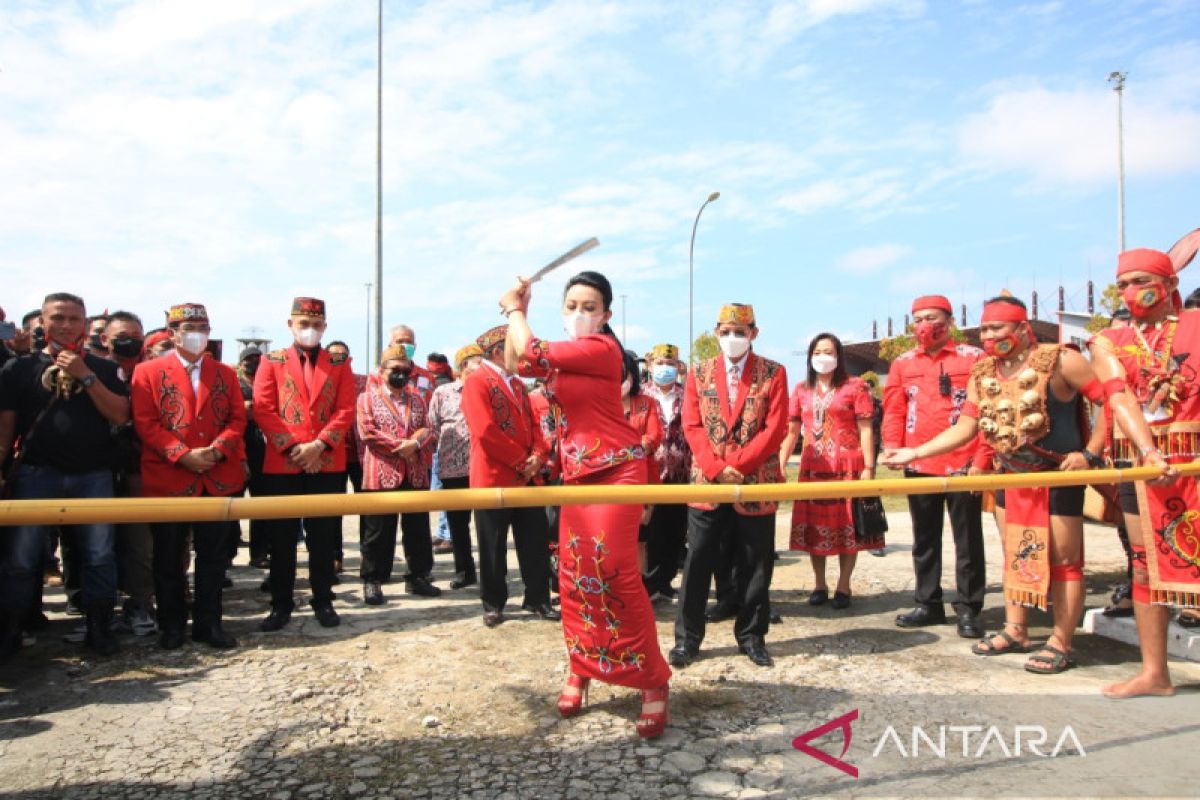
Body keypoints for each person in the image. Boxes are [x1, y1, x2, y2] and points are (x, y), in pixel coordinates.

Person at [883, 294, 1166, 674]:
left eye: (996, 327)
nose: (988, 335)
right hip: (1009, 475)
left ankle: (1061, 641)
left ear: (1021, 326)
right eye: (983, 328)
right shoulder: (985, 371)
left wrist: (1092, 453)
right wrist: (914, 453)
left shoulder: (1060, 359)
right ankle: (1015, 629)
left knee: (1065, 561)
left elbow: (1111, 402)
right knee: (1016, 553)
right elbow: (967, 427)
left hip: (1056, 475)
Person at [501, 269, 671, 739]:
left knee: (616, 572)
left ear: (607, 316)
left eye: (589, 307)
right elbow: (519, 363)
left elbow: (531, 350)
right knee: (573, 576)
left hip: (617, 469)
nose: (579, 315)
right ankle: (581, 666)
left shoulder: (602, 349)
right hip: (576, 474)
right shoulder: (566, 357)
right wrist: (522, 307)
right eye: (571, 307)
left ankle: (653, 681)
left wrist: (515, 310)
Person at [1090, 239, 1198, 698]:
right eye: (1123, 285)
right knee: (1144, 563)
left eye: (1141, 282)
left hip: (1193, 457)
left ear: (1169, 284)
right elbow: (1119, 395)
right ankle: (1155, 672)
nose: (1131, 292)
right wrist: (1150, 451)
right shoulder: (1107, 340)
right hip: (1141, 463)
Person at [0, 292, 129, 659]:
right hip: (36, 473)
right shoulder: (18, 369)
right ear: (43, 322)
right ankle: (12, 628)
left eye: (74, 318)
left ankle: (100, 627)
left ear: (86, 324)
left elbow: (120, 415)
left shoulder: (105, 368)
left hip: (93, 475)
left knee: (99, 555)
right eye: (58, 318)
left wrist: (84, 375)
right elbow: (5, 429)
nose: (66, 325)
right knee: (22, 559)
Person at [671, 303, 789, 669]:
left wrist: (737, 465)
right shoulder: (699, 372)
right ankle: (687, 639)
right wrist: (715, 466)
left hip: (756, 481)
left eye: (740, 331)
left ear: (754, 332)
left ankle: (752, 636)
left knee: (756, 563)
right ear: (716, 333)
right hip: (707, 482)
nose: (732, 338)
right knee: (698, 560)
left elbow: (776, 428)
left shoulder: (774, 372)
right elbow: (691, 425)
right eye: (725, 332)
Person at [131, 303, 246, 649]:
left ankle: (209, 624)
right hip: (169, 478)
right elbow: (145, 423)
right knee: (167, 558)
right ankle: (172, 626)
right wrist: (182, 455)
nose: (197, 332)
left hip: (217, 475)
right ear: (172, 332)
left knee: (213, 558)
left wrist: (215, 451)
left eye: (203, 325)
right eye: (189, 325)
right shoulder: (148, 372)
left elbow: (238, 419)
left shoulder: (225, 373)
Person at [882, 295, 990, 638]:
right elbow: (895, 408)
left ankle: (969, 607)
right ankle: (928, 602)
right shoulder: (902, 362)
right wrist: (893, 447)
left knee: (968, 540)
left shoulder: (974, 358)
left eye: (932, 318)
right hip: (919, 462)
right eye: (918, 319)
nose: (925, 325)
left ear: (951, 320)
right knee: (924, 538)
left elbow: (987, 414)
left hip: (964, 463)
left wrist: (981, 459)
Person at [253, 297, 356, 631]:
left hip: (326, 461)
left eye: (315, 324)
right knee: (281, 538)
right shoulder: (272, 361)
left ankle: (322, 599)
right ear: (290, 325)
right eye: (303, 324)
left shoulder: (339, 363)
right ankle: (281, 603)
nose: (309, 330)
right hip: (284, 462)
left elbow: (345, 410)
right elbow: (263, 408)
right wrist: (296, 448)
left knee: (323, 538)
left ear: (324, 327)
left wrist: (319, 446)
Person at [461, 324, 557, 627]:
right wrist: (521, 461)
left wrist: (539, 456)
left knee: (534, 540)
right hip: (493, 477)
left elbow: (536, 425)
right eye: (514, 347)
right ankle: (493, 603)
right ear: (498, 351)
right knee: (492, 545)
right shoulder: (477, 382)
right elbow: (485, 431)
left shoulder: (517, 385)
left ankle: (538, 598)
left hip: (527, 477)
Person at [779, 333, 880, 610]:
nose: (823, 357)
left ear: (838, 356)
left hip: (848, 465)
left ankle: (844, 585)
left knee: (848, 527)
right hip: (812, 467)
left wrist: (869, 467)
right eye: (817, 352)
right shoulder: (801, 389)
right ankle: (819, 584)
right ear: (810, 357)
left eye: (829, 351)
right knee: (814, 529)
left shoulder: (856, 386)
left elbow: (866, 429)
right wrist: (780, 462)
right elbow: (791, 432)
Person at [356, 345, 439, 604]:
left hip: (414, 472)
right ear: (382, 372)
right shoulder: (366, 399)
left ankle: (418, 577)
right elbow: (367, 432)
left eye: (405, 370)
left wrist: (414, 444)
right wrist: (399, 447)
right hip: (380, 473)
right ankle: (373, 580)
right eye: (395, 370)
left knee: (417, 529)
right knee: (378, 531)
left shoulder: (418, 399)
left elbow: (428, 428)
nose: (401, 375)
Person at [104, 310, 158, 637]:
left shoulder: (150, 374)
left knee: (142, 545)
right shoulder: (93, 370)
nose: (129, 343)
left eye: (135, 337)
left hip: (140, 469)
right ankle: (94, 609)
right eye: (121, 337)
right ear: (104, 339)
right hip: (96, 470)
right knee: (94, 546)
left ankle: (141, 604)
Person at [426, 344, 484, 589]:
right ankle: (464, 571)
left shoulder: (488, 390)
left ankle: (493, 572)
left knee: (487, 525)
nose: (482, 368)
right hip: (452, 470)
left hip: (484, 468)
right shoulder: (443, 392)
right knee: (458, 526)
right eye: (477, 363)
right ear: (463, 367)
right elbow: (432, 426)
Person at [641, 344, 691, 601]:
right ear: (650, 366)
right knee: (651, 530)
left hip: (681, 473)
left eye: (670, 364)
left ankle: (666, 580)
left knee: (676, 529)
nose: (665, 368)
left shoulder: (687, 395)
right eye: (660, 363)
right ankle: (650, 581)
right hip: (650, 473)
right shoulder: (641, 396)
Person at [621, 349, 665, 579]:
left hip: (642, 482)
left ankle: (638, 585)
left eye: (624, 374)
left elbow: (654, 437)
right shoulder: (601, 407)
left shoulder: (647, 403)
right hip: (608, 485)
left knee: (639, 538)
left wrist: (626, 451)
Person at [236, 345, 270, 569]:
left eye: (258, 358)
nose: (254, 362)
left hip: (262, 451)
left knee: (261, 507)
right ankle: (227, 554)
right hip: (236, 449)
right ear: (241, 363)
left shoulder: (266, 383)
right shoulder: (234, 384)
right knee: (232, 506)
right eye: (249, 359)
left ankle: (259, 554)